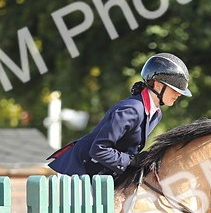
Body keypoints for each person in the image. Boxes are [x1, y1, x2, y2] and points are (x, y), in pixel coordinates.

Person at [47, 53, 191, 176]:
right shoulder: (131, 110)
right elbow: (99, 150)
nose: (178, 94)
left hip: (105, 173)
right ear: (158, 85)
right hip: (81, 172)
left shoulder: (156, 114)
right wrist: (132, 161)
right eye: (174, 89)